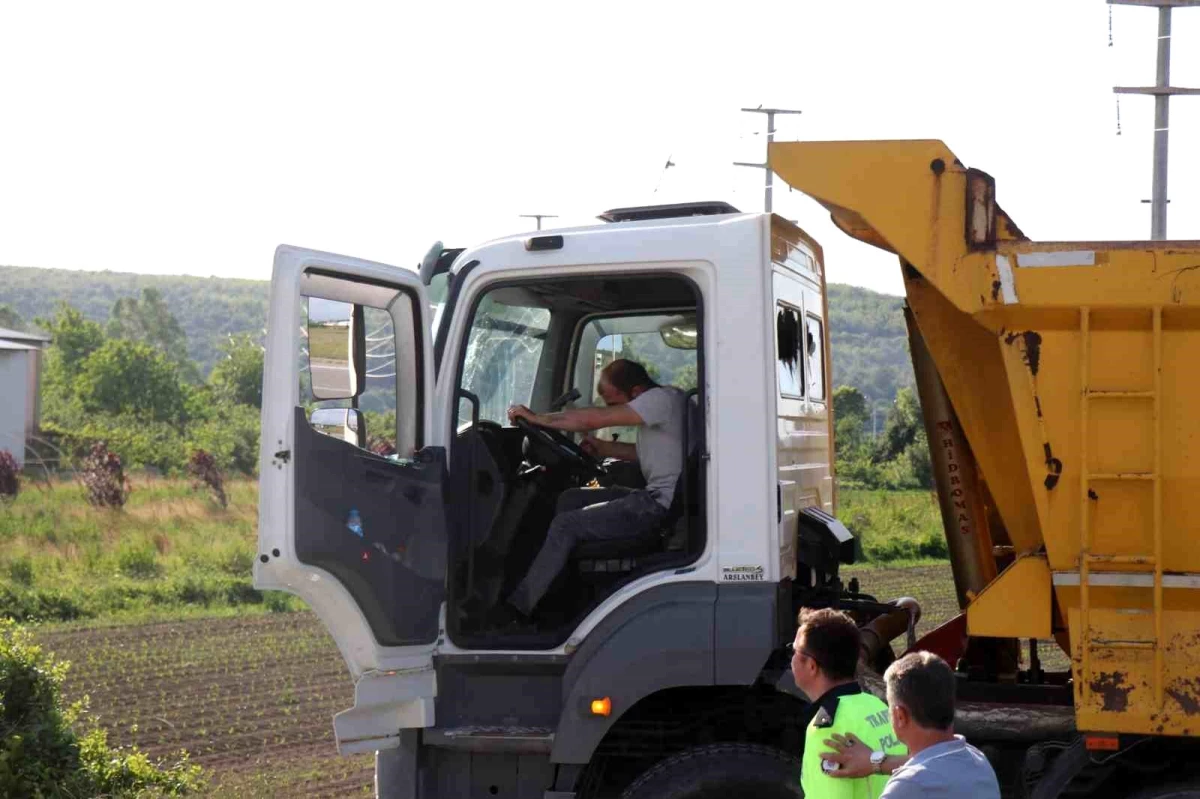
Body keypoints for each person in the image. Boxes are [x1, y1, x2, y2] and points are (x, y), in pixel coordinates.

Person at [501, 359, 686, 619]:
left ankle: (518, 609)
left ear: (635, 392)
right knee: (570, 498)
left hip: (656, 507)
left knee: (566, 524)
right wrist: (604, 449)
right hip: (656, 498)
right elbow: (650, 455)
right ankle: (560, 591)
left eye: (614, 403)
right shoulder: (668, 402)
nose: (613, 409)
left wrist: (537, 419)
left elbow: (596, 418)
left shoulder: (659, 400)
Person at [818, 651, 1000, 799]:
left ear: (899, 715)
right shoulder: (978, 761)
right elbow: (935, 765)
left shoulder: (908, 787)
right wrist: (876, 761)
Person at [791, 608, 907, 799]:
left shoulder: (828, 730)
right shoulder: (878, 706)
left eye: (794, 650)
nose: (791, 658)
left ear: (812, 666)